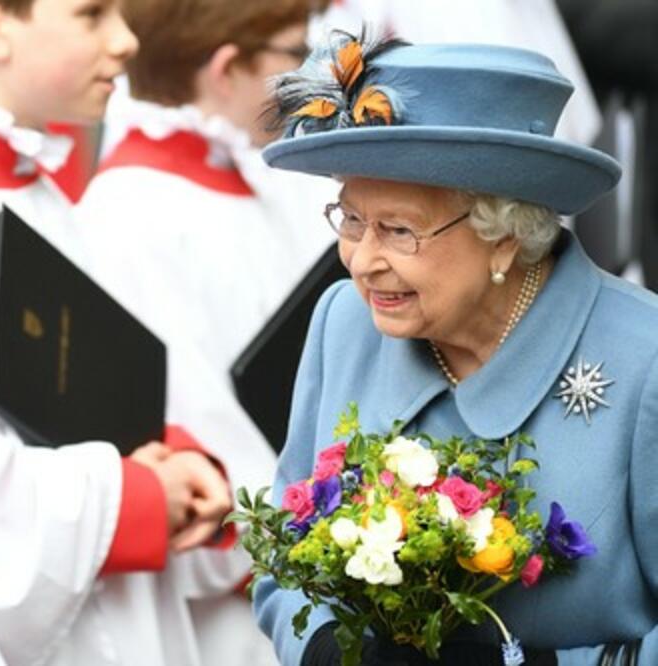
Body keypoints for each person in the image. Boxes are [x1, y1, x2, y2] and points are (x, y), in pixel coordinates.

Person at [0, 1, 268, 664]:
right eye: (91, 14)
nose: (126, 40)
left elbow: (112, 397)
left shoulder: (45, 198)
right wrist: (135, 497)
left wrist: (182, 464)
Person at [252, 31, 656, 665]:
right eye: (352, 219)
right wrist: (328, 647)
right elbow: (281, 559)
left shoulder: (645, 359)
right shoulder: (342, 324)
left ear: (504, 235)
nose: (362, 261)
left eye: (398, 230)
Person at [76, 1, 332, 664]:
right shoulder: (131, 209)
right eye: (291, 57)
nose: (309, 76)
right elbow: (184, 412)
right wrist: (310, 532)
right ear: (226, 70)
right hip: (249, 602)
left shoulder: (261, 178)